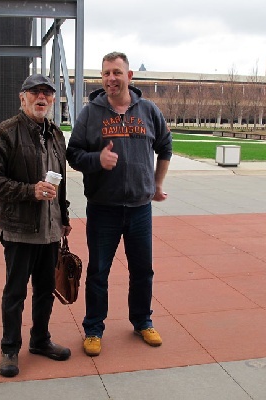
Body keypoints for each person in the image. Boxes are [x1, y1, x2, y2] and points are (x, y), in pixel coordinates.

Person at [66, 52, 172, 356]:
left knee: (143, 270)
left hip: (140, 209)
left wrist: (157, 185)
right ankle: (93, 328)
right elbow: (73, 154)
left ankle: (142, 321)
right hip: (103, 208)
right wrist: (96, 160)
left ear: (129, 76)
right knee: (98, 271)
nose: (111, 78)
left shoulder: (148, 110)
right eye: (106, 74)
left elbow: (165, 147)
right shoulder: (90, 113)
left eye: (116, 72)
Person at [0, 73, 72, 377]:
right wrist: (29, 191)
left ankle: (40, 340)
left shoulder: (56, 134)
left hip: (50, 229)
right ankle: (10, 348)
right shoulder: (5, 132)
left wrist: (64, 217)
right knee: (15, 292)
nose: (41, 97)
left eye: (47, 93)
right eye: (35, 92)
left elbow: (61, 181)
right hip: (19, 229)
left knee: (45, 289)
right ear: (22, 98)